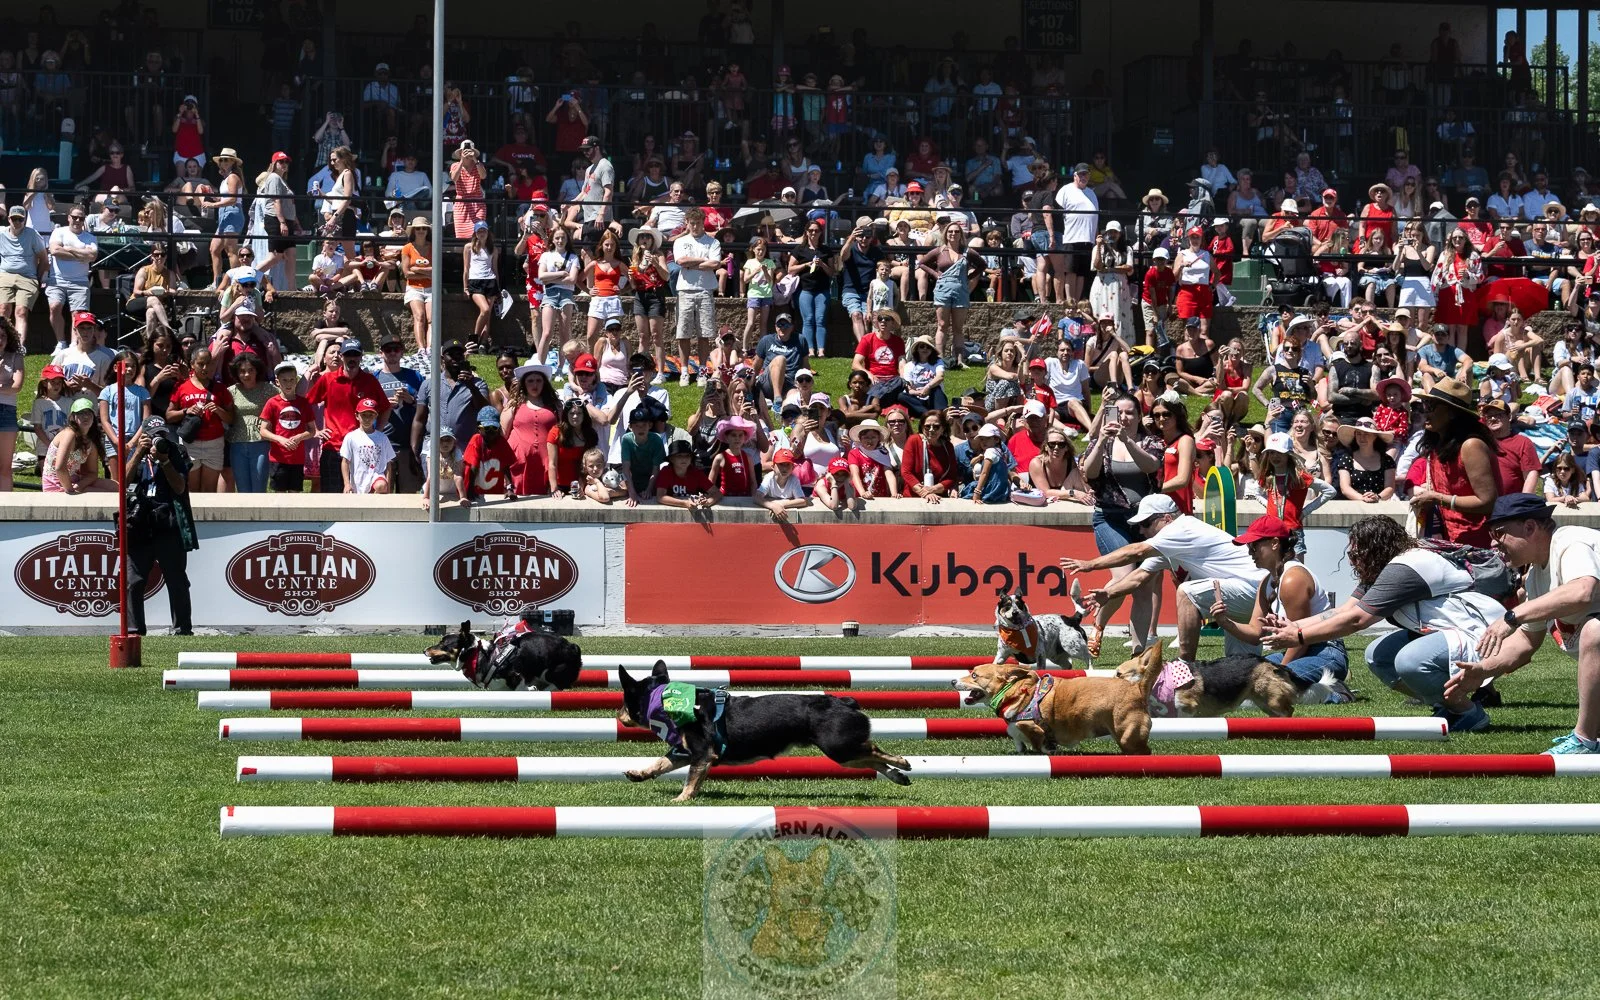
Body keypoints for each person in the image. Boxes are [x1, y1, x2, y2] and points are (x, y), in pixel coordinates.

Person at [1262, 514, 1503, 732]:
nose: (1351, 561)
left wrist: (1300, 636)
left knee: (1408, 660)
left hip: (1480, 632)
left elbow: (1358, 620)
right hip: (1449, 631)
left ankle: (1467, 712)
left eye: (1356, 554)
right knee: (1378, 656)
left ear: (1376, 549)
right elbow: (1345, 610)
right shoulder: (1383, 567)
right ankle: (1452, 704)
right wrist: (1294, 627)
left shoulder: (1403, 570)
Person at [1065, 493, 1268, 662]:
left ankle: (1185, 665)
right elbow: (1139, 577)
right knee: (1242, 665)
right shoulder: (1169, 544)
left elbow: (1136, 551)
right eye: (1139, 526)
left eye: (1146, 523)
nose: (1141, 530)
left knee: (1188, 592)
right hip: (1249, 595)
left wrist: (1090, 564)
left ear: (1167, 518)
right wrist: (1108, 593)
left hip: (1254, 589)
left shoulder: (1181, 529)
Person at [1469, 494, 1600, 753]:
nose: (1493, 543)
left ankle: (1584, 740)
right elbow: (1527, 640)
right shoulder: (1535, 578)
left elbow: (1581, 591)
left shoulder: (1570, 542)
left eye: (1499, 533)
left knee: (1596, 631)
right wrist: (1481, 673)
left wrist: (1513, 615)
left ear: (1530, 527)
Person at [1209, 514, 1351, 699]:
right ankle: (1321, 684)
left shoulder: (1293, 578)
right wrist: (1225, 622)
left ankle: (1336, 693)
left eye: (1254, 545)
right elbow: (1254, 634)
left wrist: (1278, 672)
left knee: (1265, 688)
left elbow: (1301, 640)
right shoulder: (1266, 582)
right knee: (1244, 680)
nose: (1250, 552)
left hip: (1324, 652)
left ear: (1275, 543)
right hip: (1304, 650)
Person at [123, 418, 196, 635]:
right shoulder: (137, 452)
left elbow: (180, 486)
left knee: (176, 579)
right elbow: (122, 483)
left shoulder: (176, 451)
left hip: (169, 522)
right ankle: (134, 631)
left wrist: (165, 461)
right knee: (133, 580)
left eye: (162, 435)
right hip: (141, 523)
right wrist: (138, 453)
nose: (158, 440)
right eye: (153, 435)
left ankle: (182, 629)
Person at [1410, 377, 1499, 545]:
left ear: (1452, 413)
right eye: (1425, 406)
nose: (1426, 412)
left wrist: (1436, 498)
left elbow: (1487, 502)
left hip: (1481, 544)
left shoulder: (1471, 446)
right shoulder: (1437, 446)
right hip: (1451, 540)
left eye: (1432, 407)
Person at [307, 338, 389, 493]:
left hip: (362, 448)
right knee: (332, 498)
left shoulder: (370, 381)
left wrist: (377, 431)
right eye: (348, 354)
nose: (352, 358)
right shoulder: (328, 379)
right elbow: (306, 403)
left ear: (361, 357)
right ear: (342, 356)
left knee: (362, 495)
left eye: (355, 355)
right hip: (334, 447)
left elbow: (385, 407)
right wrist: (316, 430)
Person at [673, 209, 722, 386]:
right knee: (683, 333)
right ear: (687, 222)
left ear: (703, 222)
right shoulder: (680, 241)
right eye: (692, 223)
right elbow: (681, 262)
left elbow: (715, 263)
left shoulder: (713, 242)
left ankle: (702, 370)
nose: (695, 226)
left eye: (698, 223)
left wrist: (691, 264)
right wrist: (702, 261)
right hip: (685, 290)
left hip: (705, 290)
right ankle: (684, 371)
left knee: (704, 333)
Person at [341, 398, 397, 494]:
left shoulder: (382, 438)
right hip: (359, 480)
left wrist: (387, 485)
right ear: (357, 416)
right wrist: (347, 484)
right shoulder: (351, 437)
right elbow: (345, 461)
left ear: (376, 416)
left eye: (371, 415)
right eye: (364, 415)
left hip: (377, 476)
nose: (367, 419)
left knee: (381, 486)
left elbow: (388, 463)